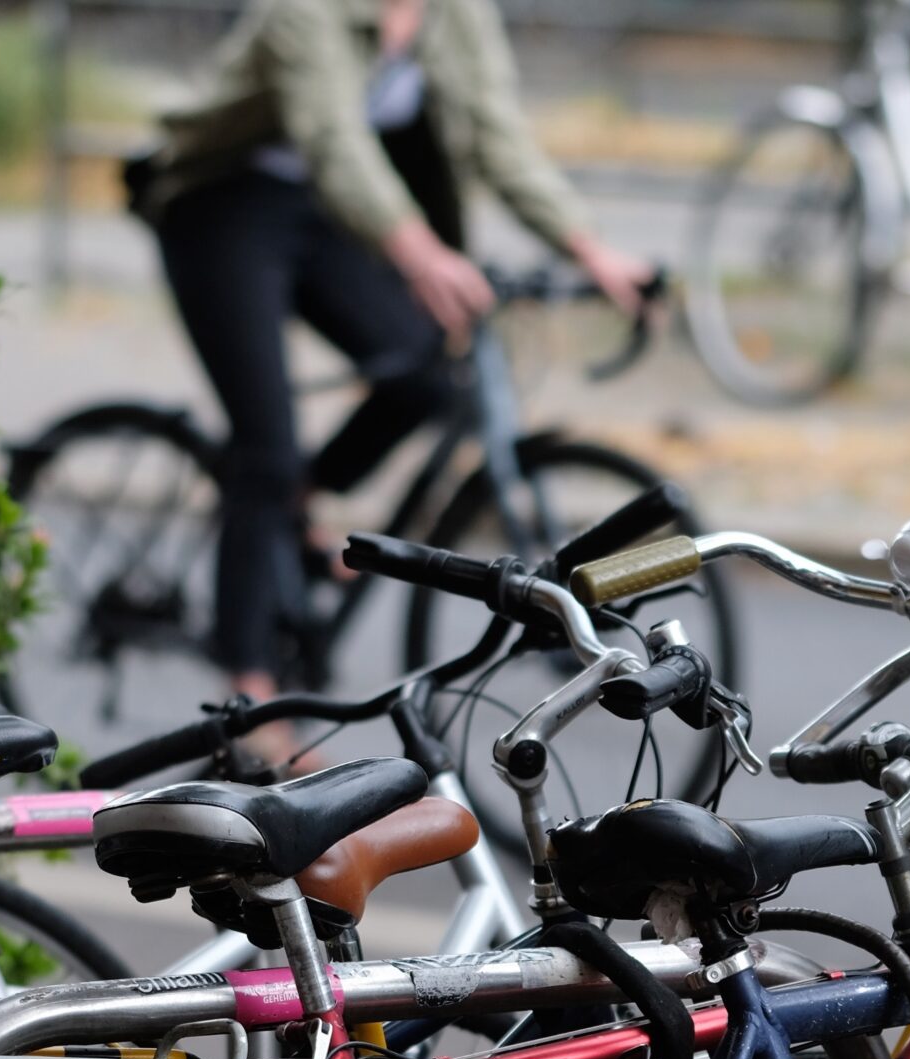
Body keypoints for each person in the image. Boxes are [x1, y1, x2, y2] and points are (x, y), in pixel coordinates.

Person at [133, 0, 652, 717]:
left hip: (326, 207)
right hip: (224, 204)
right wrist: (423, 255)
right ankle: (248, 699)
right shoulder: (305, 10)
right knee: (267, 447)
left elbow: (497, 136)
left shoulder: (456, 13)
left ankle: (299, 504)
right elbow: (333, 140)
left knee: (427, 378)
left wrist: (589, 249)